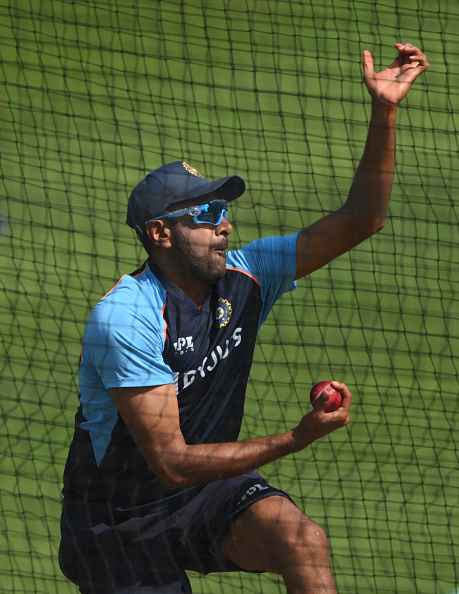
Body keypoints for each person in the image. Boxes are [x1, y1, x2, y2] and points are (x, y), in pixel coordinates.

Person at [59, 43, 429, 594]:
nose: (225, 225)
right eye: (206, 214)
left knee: (302, 540)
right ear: (161, 235)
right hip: (118, 524)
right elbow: (173, 462)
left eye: (225, 210)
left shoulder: (247, 274)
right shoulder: (128, 317)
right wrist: (297, 438)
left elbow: (362, 218)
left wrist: (385, 112)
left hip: (204, 493)